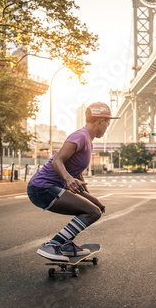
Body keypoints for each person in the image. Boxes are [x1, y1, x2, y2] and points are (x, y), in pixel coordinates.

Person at [27, 102, 120, 261]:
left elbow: (77, 173)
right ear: (101, 121)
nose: (107, 128)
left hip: (48, 188)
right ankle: (54, 244)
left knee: (93, 208)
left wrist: (92, 199)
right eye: (107, 124)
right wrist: (68, 179)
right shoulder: (80, 136)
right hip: (42, 188)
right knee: (92, 212)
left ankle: (65, 244)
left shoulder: (87, 140)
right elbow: (57, 161)